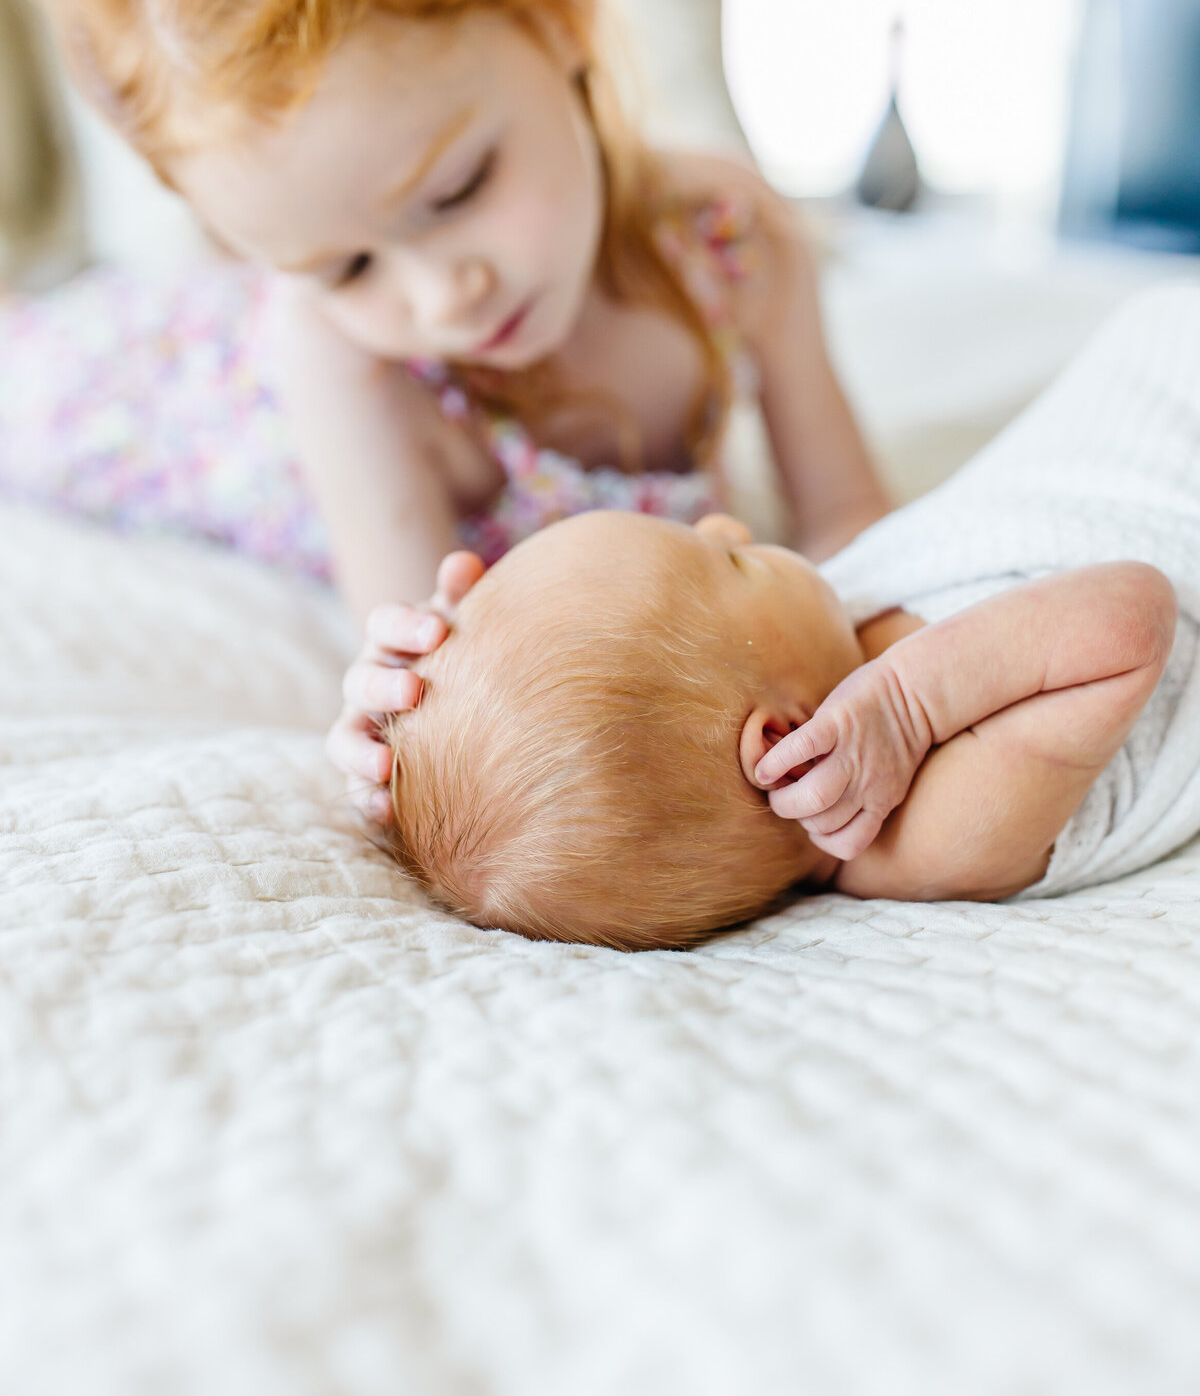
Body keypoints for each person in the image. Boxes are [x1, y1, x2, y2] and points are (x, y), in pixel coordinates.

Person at [17, 0, 887, 823]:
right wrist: (394, 716)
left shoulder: (734, 239)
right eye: (345, 263)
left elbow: (851, 512)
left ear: (556, 4)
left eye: (458, 187)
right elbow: (429, 687)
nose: (439, 299)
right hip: (172, 390)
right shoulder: (342, 347)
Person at [380, 288, 1200, 950]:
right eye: (727, 561)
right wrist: (911, 708)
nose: (730, 527)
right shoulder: (927, 831)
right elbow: (1132, 616)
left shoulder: (819, 647)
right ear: (780, 744)